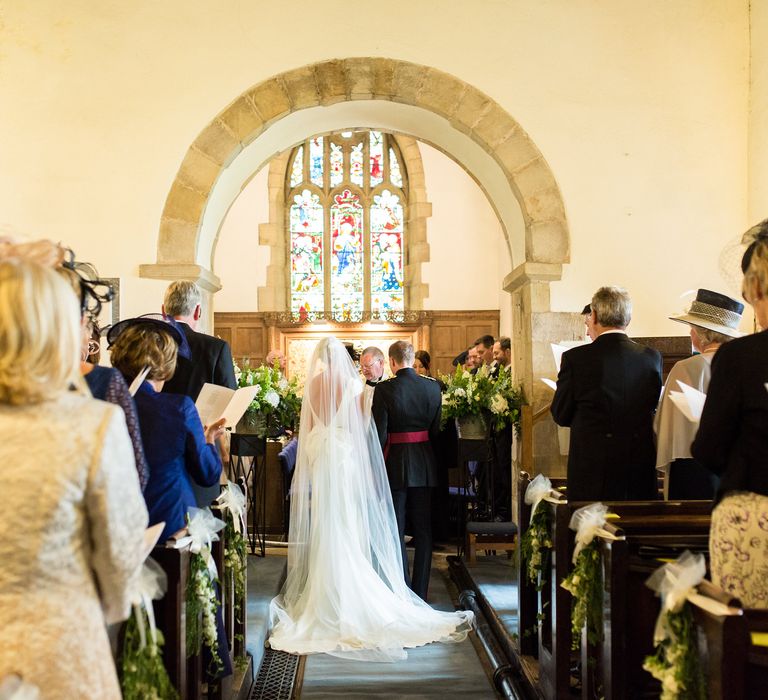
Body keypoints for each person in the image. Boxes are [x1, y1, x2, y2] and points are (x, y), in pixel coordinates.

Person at [268, 337, 472, 660]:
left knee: (326, 521)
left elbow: (306, 429)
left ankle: (325, 593)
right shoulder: (356, 386)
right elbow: (361, 430)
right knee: (352, 523)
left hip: (322, 457)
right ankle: (386, 590)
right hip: (353, 460)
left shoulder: (313, 386)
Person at [0, 258, 148, 698]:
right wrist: (111, 604)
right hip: (59, 649)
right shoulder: (92, 425)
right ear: (57, 329)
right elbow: (121, 552)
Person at [692, 222, 768, 608]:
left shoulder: (740, 358)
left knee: (747, 647)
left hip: (754, 521)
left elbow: (708, 449)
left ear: (755, 288)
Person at [107, 315, 226, 542]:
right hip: (169, 523)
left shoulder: (105, 404)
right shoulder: (179, 407)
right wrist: (209, 439)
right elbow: (207, 473)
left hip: (119, 525)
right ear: (165, 363)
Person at [551, 286, 663, 501]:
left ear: (593, 316)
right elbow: (650, 407)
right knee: (636, 530)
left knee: (589, 532)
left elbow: (561, 414)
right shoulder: (651, 358)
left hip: (592, 470)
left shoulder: (576, 359)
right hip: (637, 470)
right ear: (627, 320)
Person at [655, 289, 743, 500]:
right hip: (737, 465)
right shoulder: (744, 366)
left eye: (692, 328)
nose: (690, 333)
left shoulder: (686, 368)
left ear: (702, 333)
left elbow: (664, 422)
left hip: (691, 465)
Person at [372, 341, 443, 600]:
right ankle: (421, 590)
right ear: (412, 360)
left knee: (397, 527)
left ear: (391, 362)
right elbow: (435, 430)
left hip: (395, 465)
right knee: (424, 529)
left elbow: (379, 434)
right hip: (424, 463)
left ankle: (403, 589)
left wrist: (374, 465)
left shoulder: (384, 390)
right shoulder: (433, 388)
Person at [161, 280, 237, 400]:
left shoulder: (143, 344)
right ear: (197, 311)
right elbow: (229, 400)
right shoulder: (216, 348)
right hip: (199, 419)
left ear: (163, 311)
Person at [360, 345, 385, 423]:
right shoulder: (358, 383)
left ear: (381, 363)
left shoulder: (391, 384)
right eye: (361, 366)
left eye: (367, 366)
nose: (364, 370)